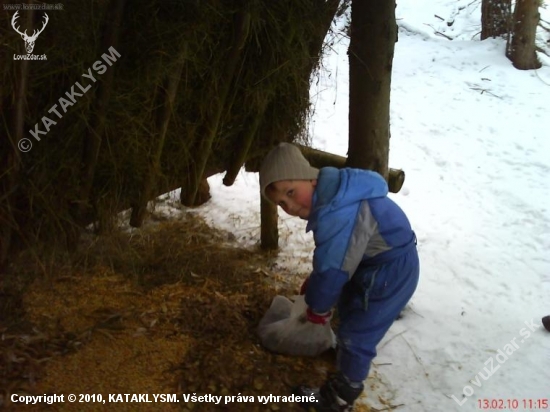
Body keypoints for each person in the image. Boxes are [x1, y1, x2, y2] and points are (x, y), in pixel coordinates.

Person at [259, 143, 420, 411]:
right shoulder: (337, 195)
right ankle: (344, 358)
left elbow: (333, 271)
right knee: (348, 310)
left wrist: (318, 308)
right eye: (281, 203)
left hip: (388, 272)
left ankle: (340, 397)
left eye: (291, 192)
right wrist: (317, 286)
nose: (290, 206)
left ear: (311, 178)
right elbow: (341, 257)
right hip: (373, 263)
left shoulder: (337, 212)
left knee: (357, 334)